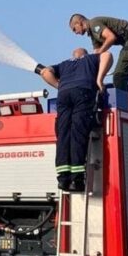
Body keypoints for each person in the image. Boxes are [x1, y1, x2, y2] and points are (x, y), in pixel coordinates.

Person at [39, 47, 113, 191]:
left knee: (63, 134)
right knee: (78, 133)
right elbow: (107, 55)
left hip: (64, 95)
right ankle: (76, 180)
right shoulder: (91, 58)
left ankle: (62, 179)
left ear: (73, 55)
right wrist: (99, 79)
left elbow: (44, 71)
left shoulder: (64, 64)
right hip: (83, 92)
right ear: (84, 54)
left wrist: (59, 86)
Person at [68, 14, 128, 91]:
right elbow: (96, 55)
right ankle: (127, 95)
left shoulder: (93, 23)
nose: (75, 32)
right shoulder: (93, 35)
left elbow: (111, 37)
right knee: (121, 76)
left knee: (118, 76)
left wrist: (101, 51)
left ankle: (122, 102)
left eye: (74, 29)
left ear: (79, 23)